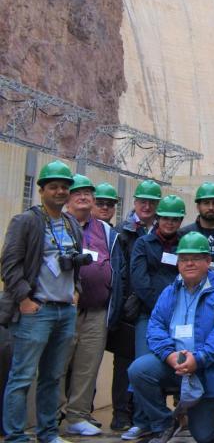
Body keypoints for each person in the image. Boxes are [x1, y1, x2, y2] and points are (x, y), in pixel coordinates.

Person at [127, 231, 214, 443]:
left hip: (206, 367)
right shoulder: (170, 291)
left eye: (196, 259)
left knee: (204, 436)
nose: (189, 263)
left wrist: (198, 359)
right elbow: (155, 326)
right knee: (139, 370)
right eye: (184, 259)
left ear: (208, 261)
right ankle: (165, 423)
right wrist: (169, 355)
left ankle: (211, 415)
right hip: (175, 362)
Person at [1, 161, 82, 443]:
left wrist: (76, 291)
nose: (60, 191)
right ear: (41, 190)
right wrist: (24, 299)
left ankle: (48, 433)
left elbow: (76, 263)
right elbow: (9, 265)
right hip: (36, 310)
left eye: (64, 187)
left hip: (64, 311)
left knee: (52, 377)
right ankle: (15, 436)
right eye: (54, 187)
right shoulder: (26, 221)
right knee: (22, 377)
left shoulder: (71, 223)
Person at [61, 175, 126, 436]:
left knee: (87, 367)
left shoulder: (106, 231)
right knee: (56, 365)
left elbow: (116, 268)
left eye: (88, 193)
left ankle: (78, 415)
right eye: (78, 192)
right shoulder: (58, 225)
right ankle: (51, 415)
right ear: (67, 197)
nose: (84, 197)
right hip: (63, 310)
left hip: (97, 310)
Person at [125, 194, 185, 440]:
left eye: (175, 219)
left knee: (176, 366)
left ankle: (175, 417)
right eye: (166, 218)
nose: (170, 223)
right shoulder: (144, 244)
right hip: (149, 315)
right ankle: (143, 421)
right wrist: (161, 309)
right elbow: (140, 280)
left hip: (181, 318)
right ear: (158, 219)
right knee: (143, 366)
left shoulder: (186, 243)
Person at [178, 182, 214, 425]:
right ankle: (182, 405)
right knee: (184, 346)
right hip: (192, 299)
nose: (210, 207)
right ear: (198, 205)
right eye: (205, 202)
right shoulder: (186, 233)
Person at [109, 179, 162, 433]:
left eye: (152, 202)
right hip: (128, 307)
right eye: (143, 201)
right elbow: (119, 271)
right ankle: (122, 413)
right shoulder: (123, 232)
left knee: (150, 362)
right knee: (124, 363)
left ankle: (147, 414)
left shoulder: (165, 233)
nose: (147, 206)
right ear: (135, 203)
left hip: (154, 307)